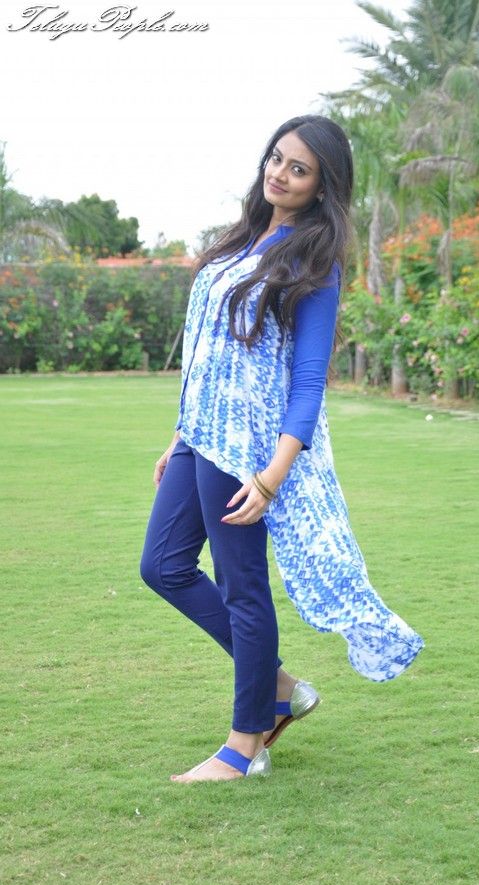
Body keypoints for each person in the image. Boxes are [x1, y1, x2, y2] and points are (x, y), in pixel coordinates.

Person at [139, 114, 424, 783]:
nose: (280, 174)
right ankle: (279, 688)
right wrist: (179, 433)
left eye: (299, 169)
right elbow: (210, 352)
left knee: (243, 588)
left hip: (249, 448)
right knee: (162, 565)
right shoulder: (240, 240)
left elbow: (308, 379)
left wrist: (272, 475)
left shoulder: (314, 262)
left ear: (322, 187)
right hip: (200, 433)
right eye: (276, 158)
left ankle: (245, 747)